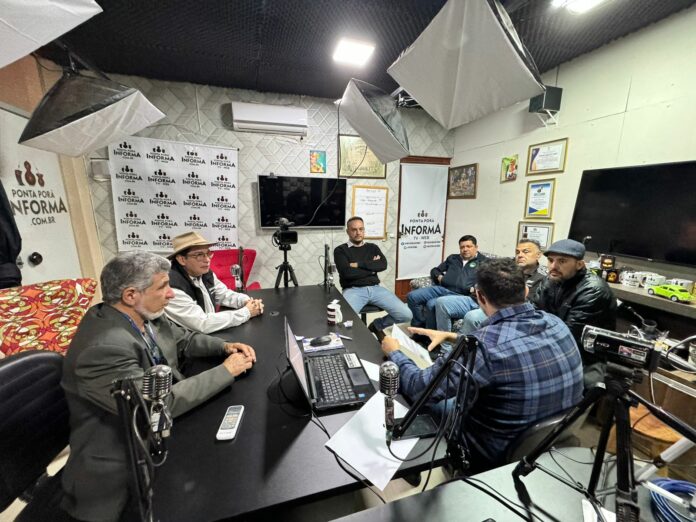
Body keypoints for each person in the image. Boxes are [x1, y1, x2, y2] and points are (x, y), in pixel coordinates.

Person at [61, 251, 257, 521]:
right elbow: (157, 405)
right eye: (163, 286)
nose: (171, 293)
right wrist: (226, 370)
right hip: (122, 471)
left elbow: (184, 340)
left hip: (156, 437)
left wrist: (224, 347)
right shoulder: (104, 348)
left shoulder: (142, 314)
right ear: (131, 295)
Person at [382, 258, 583, 472]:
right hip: (550, 442)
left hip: (493, 454)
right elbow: (512, 341)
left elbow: (419, 389)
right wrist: (451, 336)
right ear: (525, 291)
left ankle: (415, 465)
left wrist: (394, 352)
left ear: (480, 296)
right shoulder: (556, 323)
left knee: (425, 400)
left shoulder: (482, 347)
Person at [529, 239, 617, 387]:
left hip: (586, 356)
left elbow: (569, 336)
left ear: (579, 265)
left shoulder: (593, 290)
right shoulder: (549, 281)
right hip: (551, 343)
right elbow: (530, 315)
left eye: (562, 261)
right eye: (550, 260)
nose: (553, 266)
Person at [165, 231, 264, 334]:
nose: (207, 259)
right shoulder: (171, 288)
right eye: (199, 255)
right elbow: (202, 323)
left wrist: (247, 301)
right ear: (182, 259)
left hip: (209, 335)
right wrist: (247, 312)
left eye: (208, 253)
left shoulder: (205, 273)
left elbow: (224, 294)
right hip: (188, 342)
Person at [334, 216, 412, 333]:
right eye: (354, 230)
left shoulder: (372, 247)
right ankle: (359, 337)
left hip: (376, 289)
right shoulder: (340, 250)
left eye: (361, 229)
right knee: (342, 321)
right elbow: (347, 273)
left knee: (406, 315)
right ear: (348, 231)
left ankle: (377, 325)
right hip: (353, 290)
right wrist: (372, 269)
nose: (358, 232)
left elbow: (383, 265)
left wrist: (358, 265)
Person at [459, 238, 547, 333]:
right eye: (517, 252)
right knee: (446, 303)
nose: (520, 255)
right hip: (480, 300)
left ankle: (466, 341)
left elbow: (527, 303)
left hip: (504, 309)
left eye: (526, 252)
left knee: (472, 317)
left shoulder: (542, 277)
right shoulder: (507, 268)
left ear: (538, 255)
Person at [407, 235, 486, 331]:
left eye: (469, 246)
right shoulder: (453, 258)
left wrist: (473, 289)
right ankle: (419, 326)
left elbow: (488, 282)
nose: (465, 249)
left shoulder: (484, 262)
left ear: (476, 247)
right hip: (443, 289)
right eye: (462, 247)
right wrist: (439, 277)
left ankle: (430, 334)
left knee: (431, 304)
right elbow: (435, 270)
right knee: (412, 296)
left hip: (461, 295)